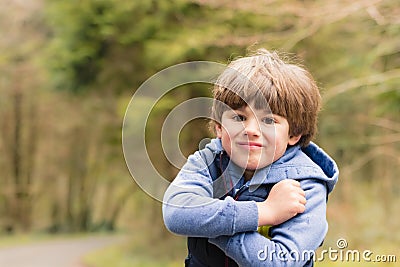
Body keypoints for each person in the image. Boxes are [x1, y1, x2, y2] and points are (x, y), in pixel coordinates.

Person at [162, 48, 339, 266]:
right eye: (239, 117)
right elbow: (176, 212)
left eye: (269, 121)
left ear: (294, 133)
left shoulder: (305, 185)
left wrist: (209, 223)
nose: (251, 129)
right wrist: (263, 212)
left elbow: (280, 261)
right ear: (219, 127)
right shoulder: (207, 162)